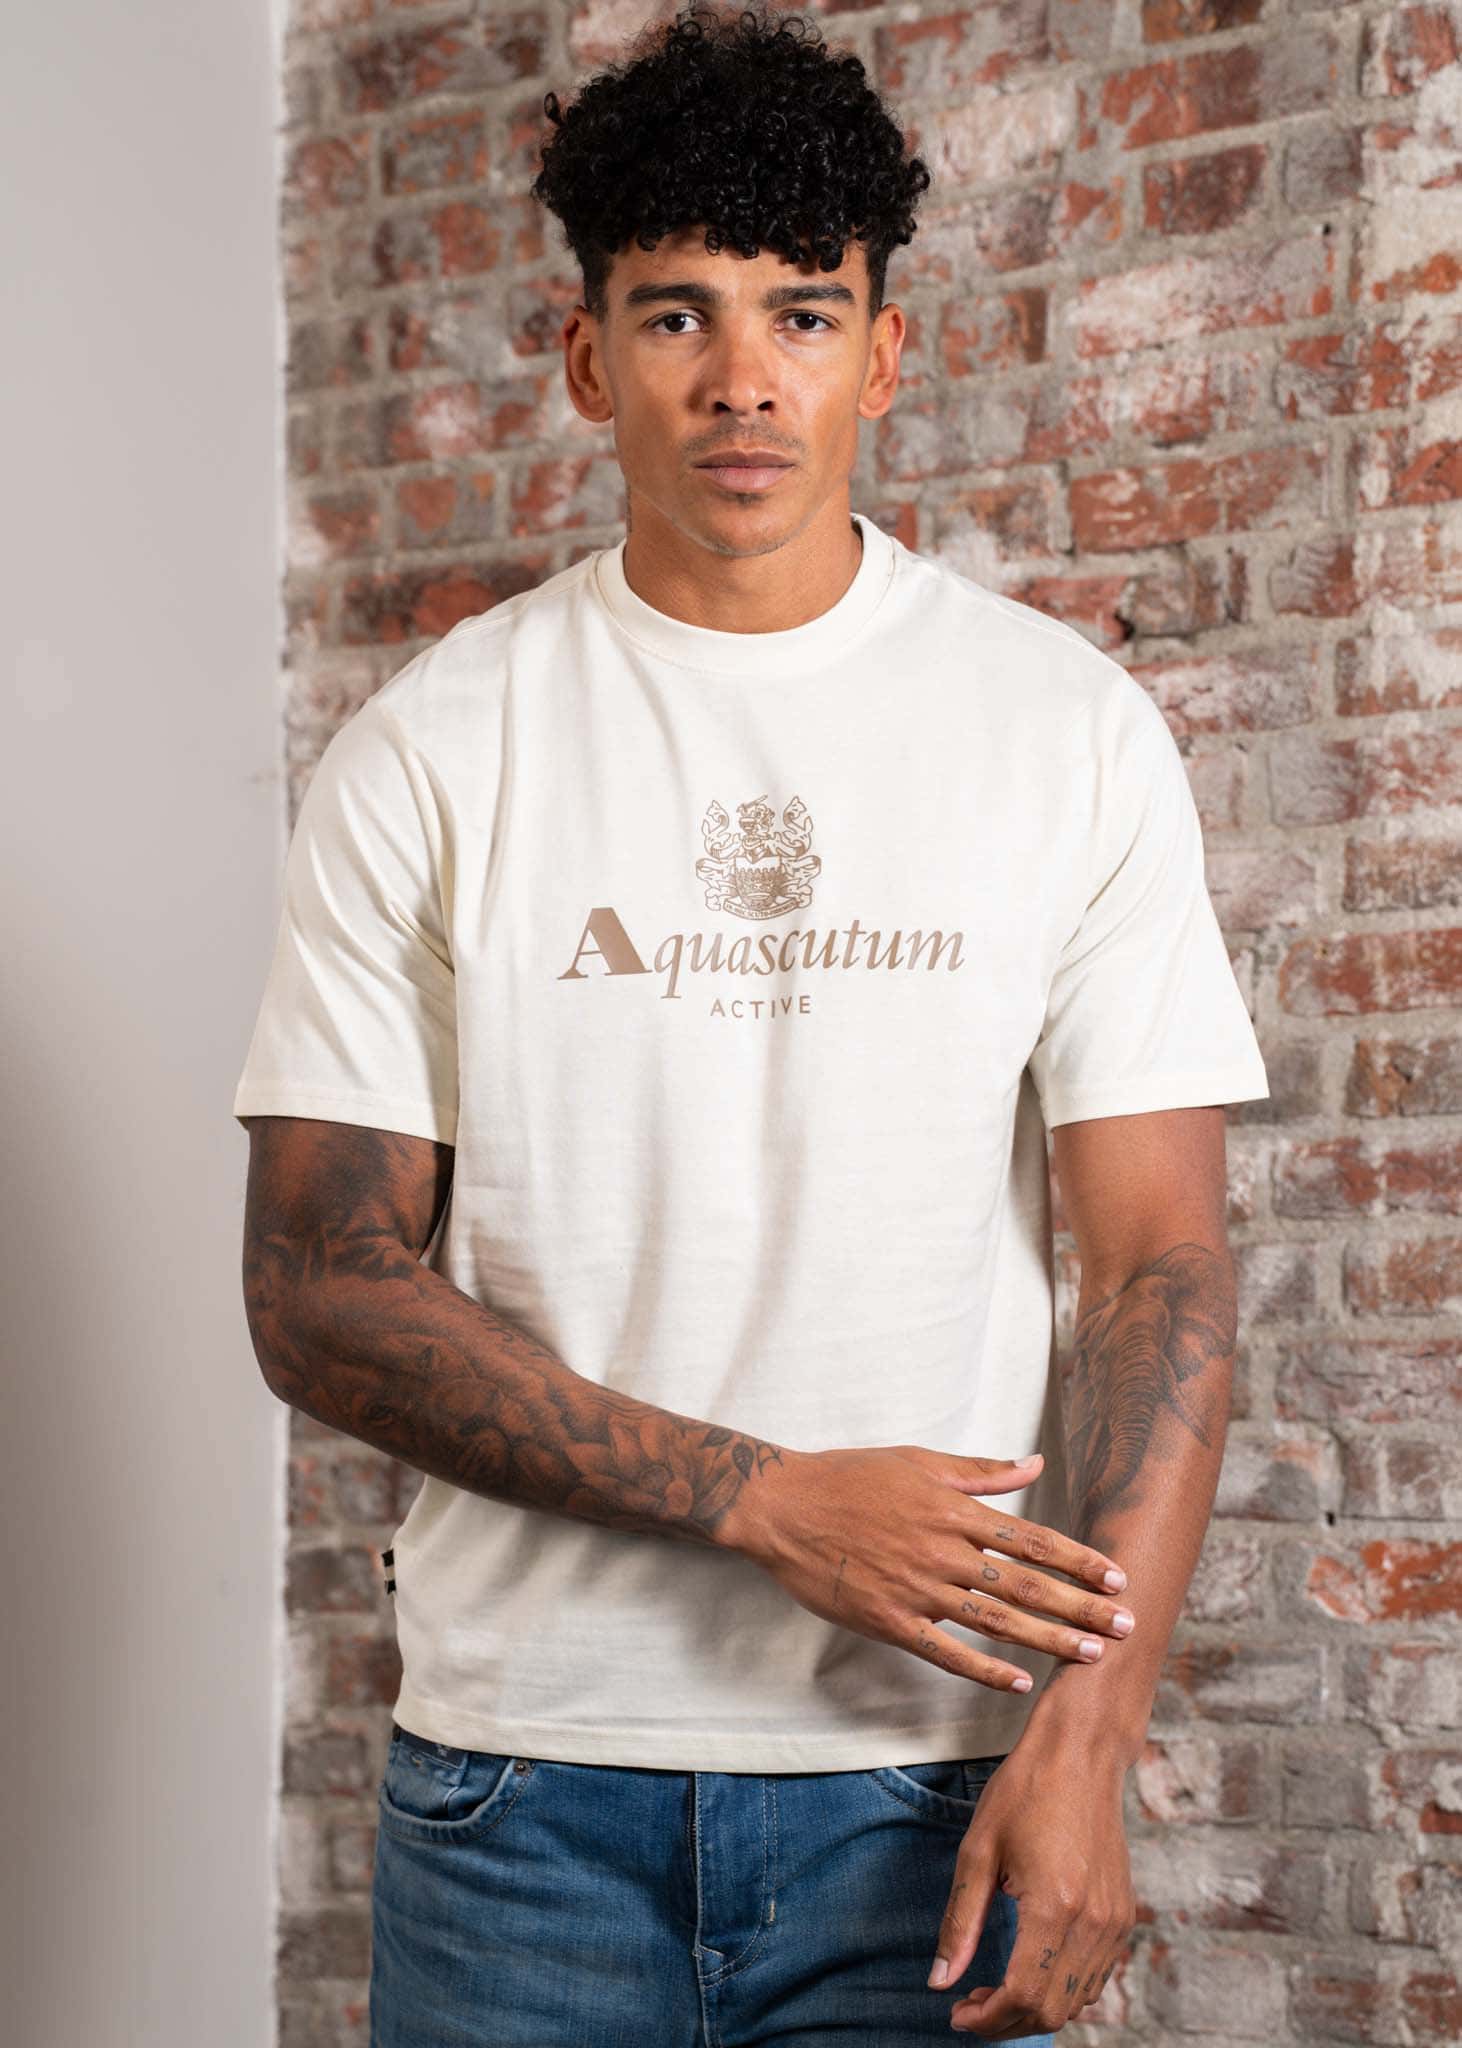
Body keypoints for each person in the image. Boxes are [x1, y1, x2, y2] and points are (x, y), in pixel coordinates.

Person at [233, 7, 1270, 2041]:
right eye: (674, 316)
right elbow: (317, 1287)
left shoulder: (1058, 731)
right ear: (583, 360)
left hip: (931, 1777)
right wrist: (759, 1494)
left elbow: (1159, 1265)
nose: (740, 380)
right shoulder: (432, 749)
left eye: (800, 315)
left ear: (880, 355)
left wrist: (1085, 1734)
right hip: (525, 1792)